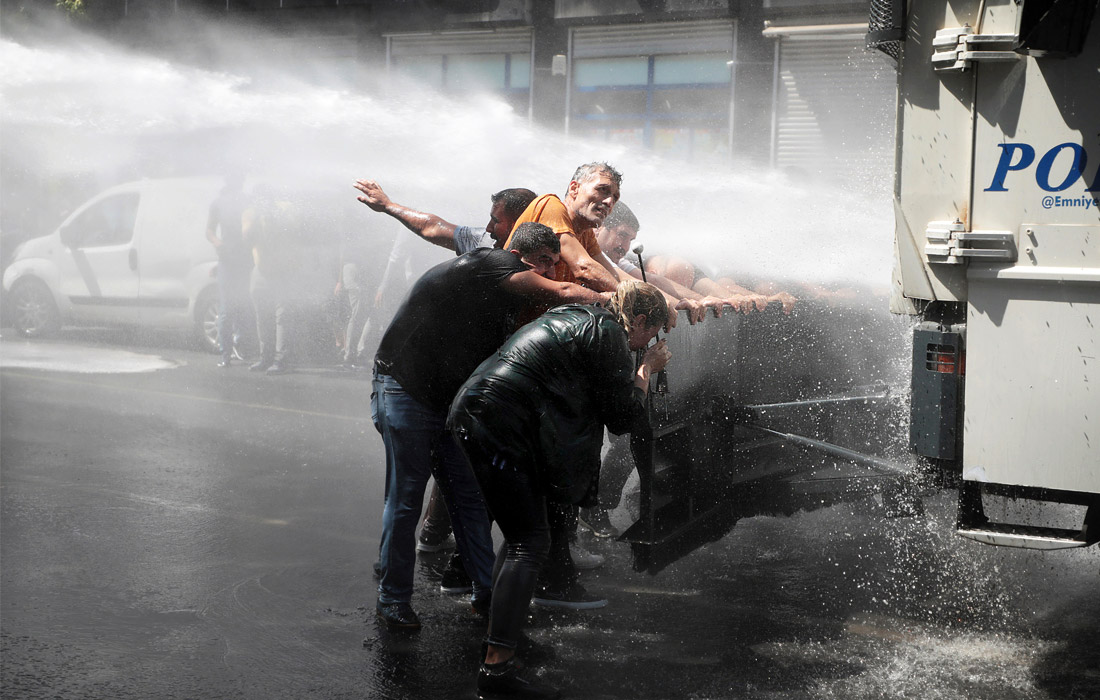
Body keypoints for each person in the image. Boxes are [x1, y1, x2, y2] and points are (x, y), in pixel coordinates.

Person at [370, 219, 612, 631]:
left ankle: (485, 593)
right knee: (406, 498)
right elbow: (567, 291)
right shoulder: (492, 263)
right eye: (543, 263)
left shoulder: (506, 287)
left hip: (445, 398)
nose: (550, 274)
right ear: (517, 256)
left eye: (555, 265)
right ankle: (393, 599)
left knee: (467, 498)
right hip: (404, 387)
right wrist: (615, 299)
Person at [449, 280, 672, 700]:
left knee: (522, 535)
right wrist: (646, 372)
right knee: (529, 542)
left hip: (483, 409)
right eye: (651, 333)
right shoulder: (608, 334)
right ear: (639, 321)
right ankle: (497, 669)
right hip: (499, 420)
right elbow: (622, 417)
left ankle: (501, 634)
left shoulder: (585, 318)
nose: (650, 342)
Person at [353, 179, 536, 255]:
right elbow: (432, 227)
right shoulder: (483, 241)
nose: (488, 228)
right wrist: (389, 206)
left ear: (519, 223)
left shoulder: (549, 261)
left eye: (496, 221)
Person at [245, 186, 301, 375]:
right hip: (261, 272)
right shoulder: (251, 215)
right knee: (262, 316)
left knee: (282, 317)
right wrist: (256, 220)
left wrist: (272, 217)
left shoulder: (284, 211)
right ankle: (265, 357)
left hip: (282, 272)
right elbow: (246, 237)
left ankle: (281, 359)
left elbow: (294, 230)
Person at [205, 171, 254, 367]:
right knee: (226, 309)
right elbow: (208, 230)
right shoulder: (218, 203)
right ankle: (225, 354)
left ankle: (239, 345)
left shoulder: (248, 201)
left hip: (246, 261)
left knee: (244, 305)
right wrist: (217, 241)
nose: (237, 183)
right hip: (227, 261)